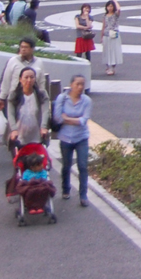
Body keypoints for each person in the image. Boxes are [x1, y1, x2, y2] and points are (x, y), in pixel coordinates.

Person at [53, 74, 92, 206]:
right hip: (65, 138)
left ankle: (83, 195)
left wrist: (67, 119)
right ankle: (66, 189)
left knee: (82, 166)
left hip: (81, 137)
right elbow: (57, 118)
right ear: (71, 85)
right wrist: (73, 120)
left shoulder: (86, 100)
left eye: (83, 84)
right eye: (78, 84)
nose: (80, 87)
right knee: (66, 165)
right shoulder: (62, 98)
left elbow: (83, 121)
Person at [6, 66, 49, 150]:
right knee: (21, 161)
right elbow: (10, 114)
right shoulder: (14, 95)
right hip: (19, 137)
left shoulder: (41, 94)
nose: (29, 80)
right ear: (20, 79)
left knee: (38, 161)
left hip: (36, 136)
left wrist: (43, 127)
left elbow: (45, 112)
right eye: (26, 77)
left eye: (32, 77)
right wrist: (14, 129)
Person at [0, 37, 45, 111]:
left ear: (32, 49)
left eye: (26, 47)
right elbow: (6, 80)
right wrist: (2, 98)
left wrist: (42, 98)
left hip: (33, 98)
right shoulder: (13, 61)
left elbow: (41, 82)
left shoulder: (39, 63)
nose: (23, 49)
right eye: (21, 47)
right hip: (15, 98)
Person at [101, 0, 123, 75]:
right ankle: (108, 67)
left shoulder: (115, 15)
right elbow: (103, 26)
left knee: (114, 51)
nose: (110, 8)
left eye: (111, 6)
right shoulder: (105, 15)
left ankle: (112, 67)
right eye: (108, 6)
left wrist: (115, 1)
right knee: (106, 51)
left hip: (114, 34)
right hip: (106, 34)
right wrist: (102, 36)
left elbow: (119, 9)